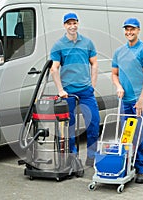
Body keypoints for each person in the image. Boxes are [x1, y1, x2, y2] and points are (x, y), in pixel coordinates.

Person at [50, 13, 100, 167]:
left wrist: (92, 85)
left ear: (78, 24)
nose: (72, 26)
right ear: (64, 25)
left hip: (86, 92)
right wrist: (60, 90)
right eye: (69, 23)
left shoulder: (87, 43)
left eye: (74, 23)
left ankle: (92, 156)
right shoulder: (58, 45)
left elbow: (95, 64)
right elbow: (54, 68)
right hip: (68, 93)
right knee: (69, 128)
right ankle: (73, 158)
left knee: (94, 123)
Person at [111, 17, 143, 184]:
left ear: (138, 30)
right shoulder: (119, 52)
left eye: (133, 29)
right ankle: (127, 165)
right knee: (126, 135)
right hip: (126, 101)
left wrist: (141, 99)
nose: (129, 32)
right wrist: (118, 86)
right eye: (127, 29)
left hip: (141, 101)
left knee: (142, 135)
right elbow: (114, 74)